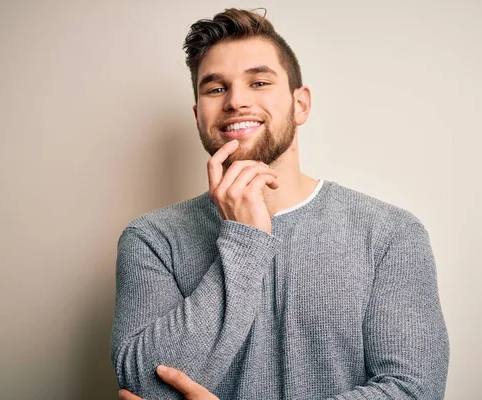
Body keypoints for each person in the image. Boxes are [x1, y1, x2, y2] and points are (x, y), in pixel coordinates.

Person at [110, 8, 449, 400]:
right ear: (198, 115)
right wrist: (245, 240)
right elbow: (142, 387)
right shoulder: (151, 239)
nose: (236, 101)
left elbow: (413, 391)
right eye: (215, 88)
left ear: (300, 104)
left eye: (258, 82)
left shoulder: (390, 233)